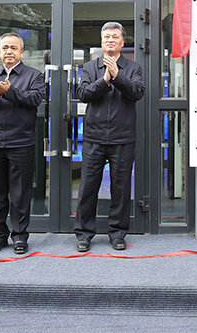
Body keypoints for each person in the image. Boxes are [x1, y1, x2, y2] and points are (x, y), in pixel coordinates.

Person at [0, 33, 45, 255]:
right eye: (5, 48)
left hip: (21, 142)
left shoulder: (34, 75)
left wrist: (9, 91)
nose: (9, 52)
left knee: (20, 193)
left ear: (22, 52)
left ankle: (20, 236)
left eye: (13, 48)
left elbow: (35, 99)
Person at [75, 22, 145, 252]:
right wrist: (104, 80)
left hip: (122, 138)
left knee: (121, 189)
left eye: (115, 37)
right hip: (94, 138)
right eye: (106, 37)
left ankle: (117, 233)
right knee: (88, 188)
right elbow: (83, 94)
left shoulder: (133, 68)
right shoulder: (90, 67)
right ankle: (84, 234)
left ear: (122, 42)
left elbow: (137, 93)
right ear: (101, 42)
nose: (110, 40)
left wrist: (118, 76)